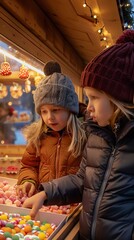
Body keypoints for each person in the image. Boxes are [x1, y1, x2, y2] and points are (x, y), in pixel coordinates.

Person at [23, 30, 134, 240]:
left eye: (94, 97)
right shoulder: (98, 136)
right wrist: (46, 193)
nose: (88, 108)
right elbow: (82, 180)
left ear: (119, 100)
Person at [16, 72, 87, 198]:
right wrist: (28, 181)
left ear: (70, 109)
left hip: (73, 205)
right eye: (44, 111)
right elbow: (28, 165)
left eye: (55, 110)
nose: (49, 117)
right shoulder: (37, 137)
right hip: (43, 203)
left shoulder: (85, 137)